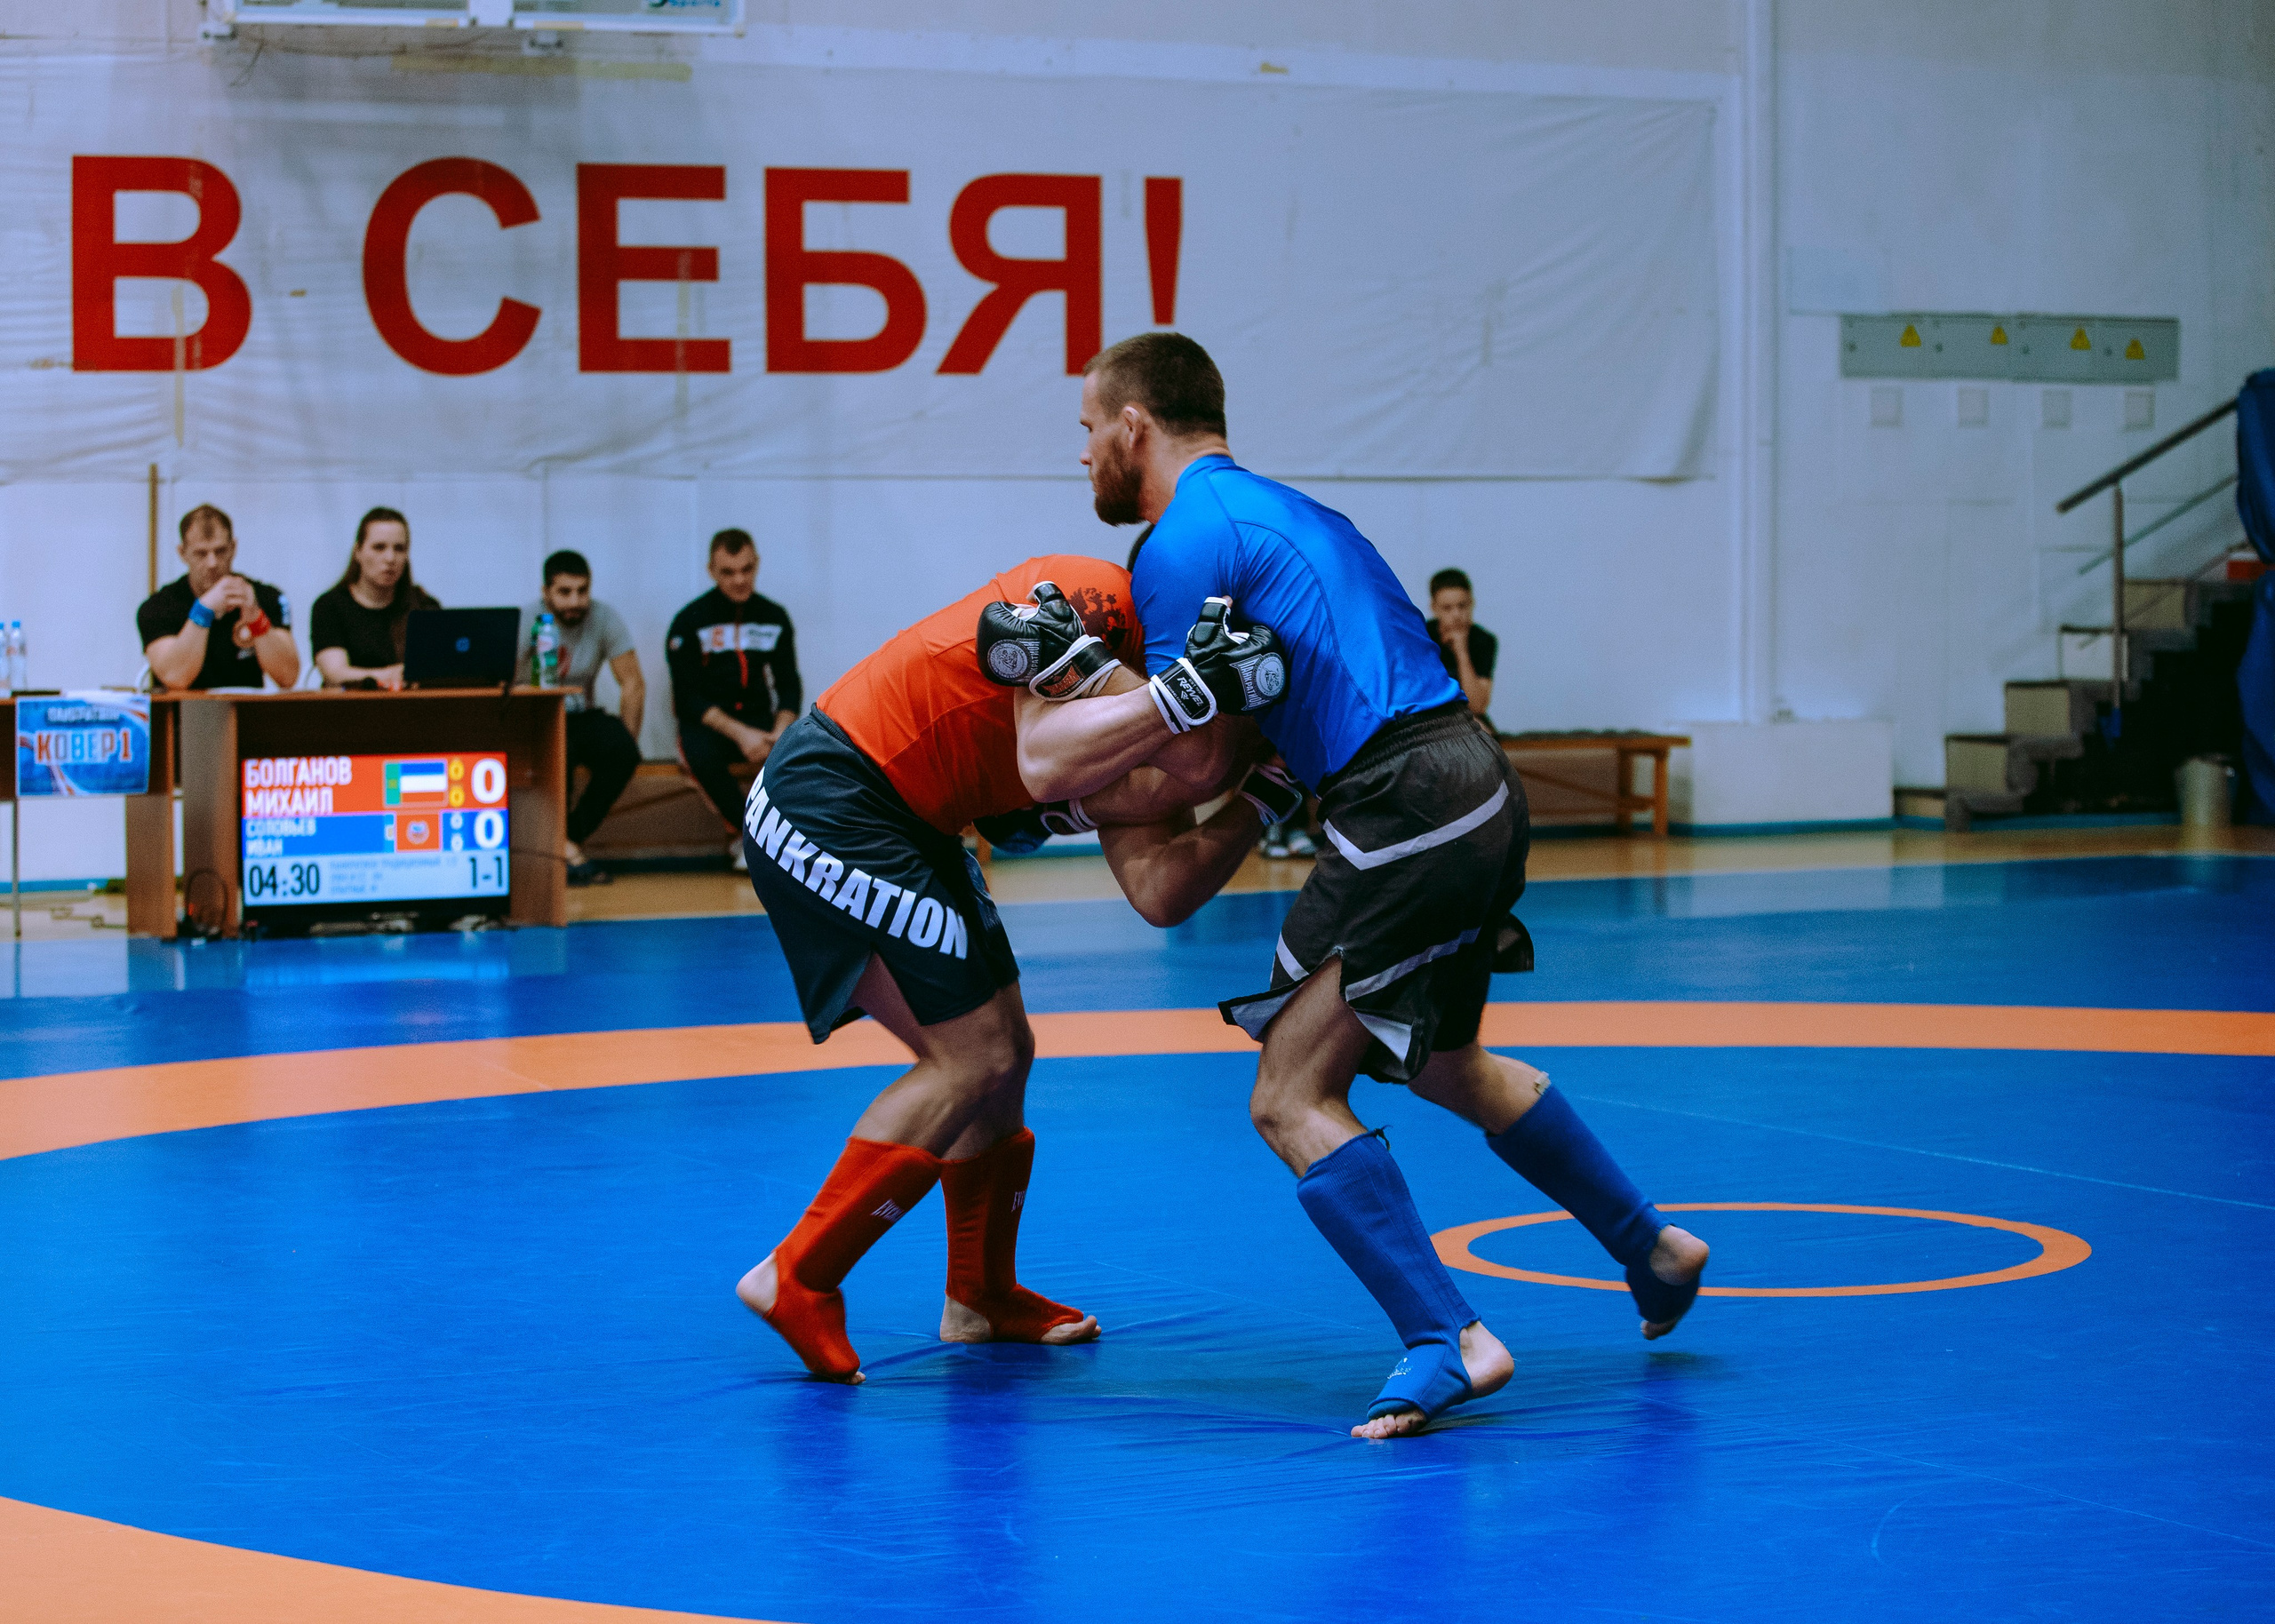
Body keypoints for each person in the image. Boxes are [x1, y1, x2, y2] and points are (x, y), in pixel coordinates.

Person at [1008, 331, 1709, 1438]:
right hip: (1474, 782)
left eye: (1088, 430)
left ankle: (1449, 1339)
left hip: (1403, 803)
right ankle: (1654, 1247)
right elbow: (1255, 723)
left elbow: (1196, 759)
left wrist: (1070, 744)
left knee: (1289, 1095)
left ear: (1133, 425)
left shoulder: (1179, 541)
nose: (1084, 453)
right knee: (1440, 1060)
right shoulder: (1294, 512)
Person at [733, 553, 1292, 1386]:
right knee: (974, 1057)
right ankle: (799, 1273)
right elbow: (1051, 763)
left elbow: (1161, 889)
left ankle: (979, 1296)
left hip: (910, 819)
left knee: (1004, 1056)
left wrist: (1264, 796)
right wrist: (1227, 743)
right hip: (835, 796)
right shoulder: (1081, 600)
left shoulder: (1143, 713)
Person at [667, 529, 802, 865]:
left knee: (801, 755)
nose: (740, 580)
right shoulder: (689, 621)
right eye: (728, 572)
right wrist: (741, 734)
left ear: (756, 565)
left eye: (747, 569)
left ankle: (790, 845)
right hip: (710, 725)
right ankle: (748, 838)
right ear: (712, 571)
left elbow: (789, 684)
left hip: (760, 721)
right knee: (700, 753)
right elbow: (687, 698)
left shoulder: (775, 617)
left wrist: (782, 728)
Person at [523, 550, 644, 888]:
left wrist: (627, 734)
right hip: (536, 718)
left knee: (624, 752)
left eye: (582, 590)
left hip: (579, 714)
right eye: (564, 592)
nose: (575, 600)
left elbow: (633, 682)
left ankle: (565, 840)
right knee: (560, 755)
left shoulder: (604, 617)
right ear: (546, 592)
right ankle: (566, 851)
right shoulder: (526, 619)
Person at [137, 505, 299, 691]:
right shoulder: (160, 606)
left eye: (220, 551)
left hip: (248, 714)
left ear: (233, 548)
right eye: (201, 554)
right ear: (183, 553)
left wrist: (256, 617)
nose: (212, 563)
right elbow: (175, 678)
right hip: (182, 714)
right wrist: (203, 610)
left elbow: (288, 678)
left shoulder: (266, 597)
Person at [310, 507, 437, 689]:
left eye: (399, 549)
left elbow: (440, 669)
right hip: (349, 711)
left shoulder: (424, 605)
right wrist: (390, 674)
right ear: (358, 551)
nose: (390, 558)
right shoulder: (330, 606)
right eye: (379, 547)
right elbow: (335, 673)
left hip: (412, 710)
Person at [1427, 568, 1497, 722]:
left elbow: (1477, 706)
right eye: (1447, 608)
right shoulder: (1421, 637)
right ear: (1434, 608)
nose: (1456, 615)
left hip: (1468, 716)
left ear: (1472, 604)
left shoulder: (1484, 640)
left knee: (1482, 732)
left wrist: (1461, 650)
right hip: (1429, 716)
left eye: (1462, 606)